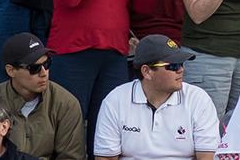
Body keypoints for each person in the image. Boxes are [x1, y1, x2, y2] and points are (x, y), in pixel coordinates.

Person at [93, 34, 222, 160]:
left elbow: (207, 157)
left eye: (181, 64)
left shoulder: (198, 99)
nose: (180, 70)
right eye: (173, 65)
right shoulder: (115, 100)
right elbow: (105, 157)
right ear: (147, 72)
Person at [0, 33, 88, 160]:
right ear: (10, 70)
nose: (44, 73)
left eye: (47, 64)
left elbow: (71, 157)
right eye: (34, 68)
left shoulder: (66, 104)